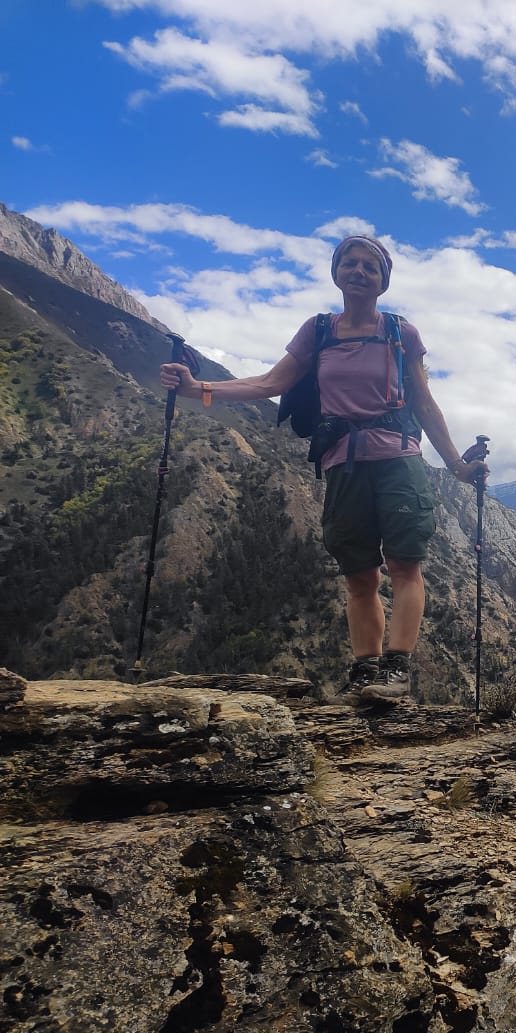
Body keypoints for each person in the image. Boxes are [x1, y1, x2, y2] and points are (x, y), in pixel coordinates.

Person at [160, 233, 487, 702]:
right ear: (336, 273)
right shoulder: (317, 332)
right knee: (359, 574)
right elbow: (270, 382)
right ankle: (365, 670)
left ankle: (396, 671)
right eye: (349, 263)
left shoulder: (401, 333)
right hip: (342, 463)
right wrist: (199, 389)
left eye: (369, 266)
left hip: (398, 459)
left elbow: (425, 404)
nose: (358, 272)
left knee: (403, 565)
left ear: (383, 280)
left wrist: (456, 464)